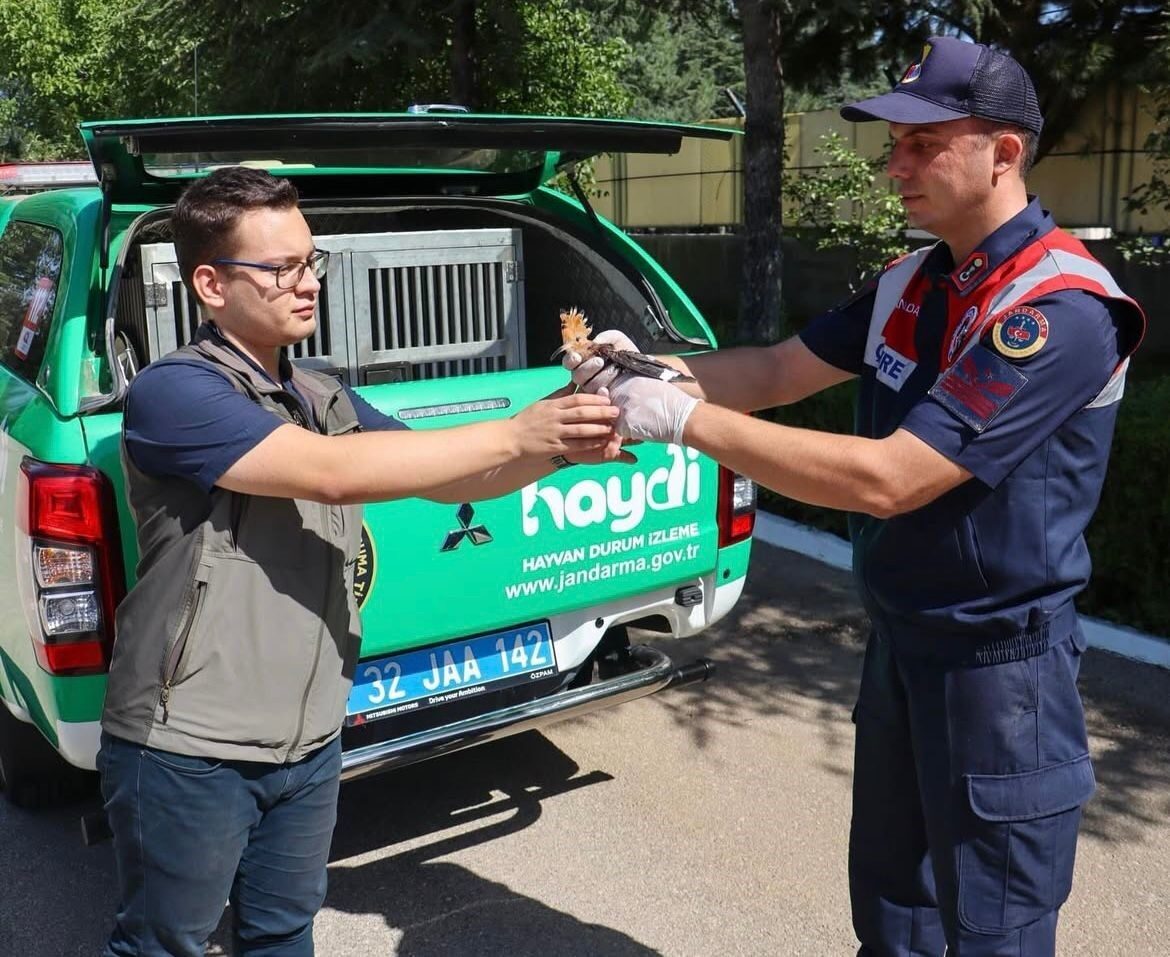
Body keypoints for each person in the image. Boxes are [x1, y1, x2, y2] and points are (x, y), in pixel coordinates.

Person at [565, 36, 1146, 957]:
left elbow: (894, 478)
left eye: (925, 142)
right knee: (892, 911)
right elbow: (776, 369)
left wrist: (674, 418)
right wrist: (639, 366)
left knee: (993, 932)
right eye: (894, 144)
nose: (896, 166)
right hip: (903, 644)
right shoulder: (912, 281)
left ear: (1006, 151)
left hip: (1004, 674)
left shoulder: (1060, 308)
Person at [98, 165, 623, 957]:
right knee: (162, 944)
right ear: (208, 283)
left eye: (312, 261)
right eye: (282, 268)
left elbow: (453, 478)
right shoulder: (175, 394)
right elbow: (328, 471)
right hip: (190, 746)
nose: (307, 283)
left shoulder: (323, 393)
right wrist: (525, 429)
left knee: (282, 933)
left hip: (308, 738)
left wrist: (566, 448)